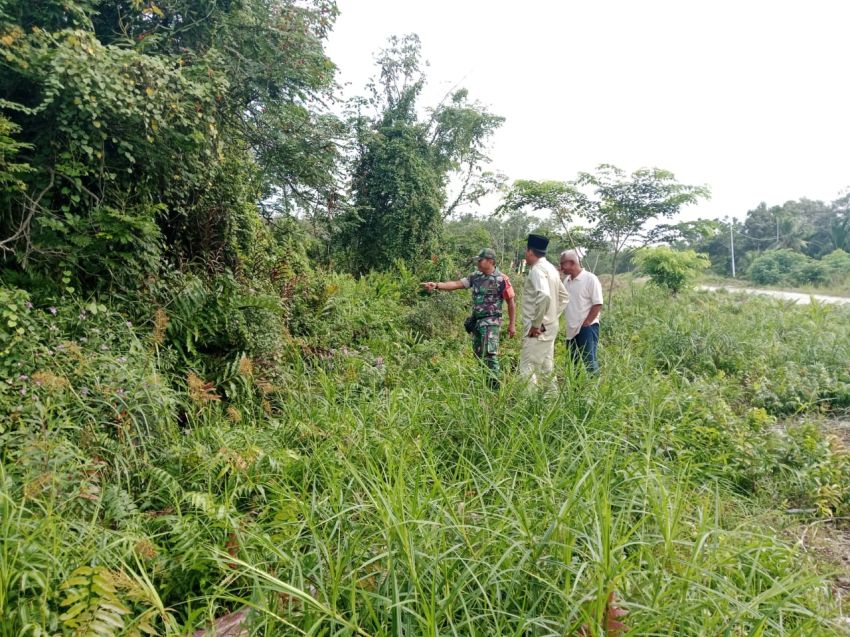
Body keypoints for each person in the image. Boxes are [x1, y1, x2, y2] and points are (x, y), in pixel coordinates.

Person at [421, 248, 516, 388]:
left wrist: (512, 325)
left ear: (490, 261)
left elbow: (511, 303)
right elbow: (456, 284)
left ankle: (495, 390)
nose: (477, 262)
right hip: (477, 321)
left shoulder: (502, 279)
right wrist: (436, 285)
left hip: (491, 322)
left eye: (480, 260)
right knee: (478, 354)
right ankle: (485, 385)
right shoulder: (475, 276)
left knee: (489, 354)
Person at [519, 234, 569, 390]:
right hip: (549, 327)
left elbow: (544, 295)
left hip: (538, 330)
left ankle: (529, 402)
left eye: (526, 251)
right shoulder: (551, 269)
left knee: (527, 366)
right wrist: (552, 317)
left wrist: (537, 324)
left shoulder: (537, 270)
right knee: (546, 368)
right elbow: (564, 297)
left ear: (530, 252)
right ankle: (550, 399)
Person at [559, 249, 603, 374]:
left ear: (572, 263)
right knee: (573, 362)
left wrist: (587, 322)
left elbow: (598, 303)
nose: (561, 267)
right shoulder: (567, 281)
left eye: (563, 264)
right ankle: (575, 386)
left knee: (589, 361)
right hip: (571, 329)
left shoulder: (590, 279)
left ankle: (594, 385)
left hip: (587, 328)